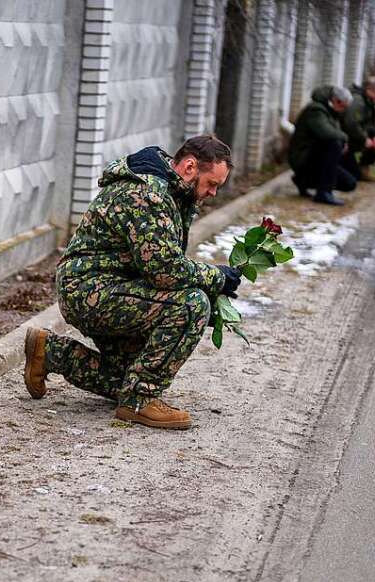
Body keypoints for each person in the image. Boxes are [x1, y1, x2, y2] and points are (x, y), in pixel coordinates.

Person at [22, 135, 237, 430]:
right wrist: (215, 277)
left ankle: (50, 352)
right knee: (191, 304)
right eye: (211, 183)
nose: (213, 192)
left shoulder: (171, 193)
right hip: (91, 290)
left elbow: (159, 266)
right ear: (189, 167)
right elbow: (163, 269)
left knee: (127, 376)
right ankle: (138, 402)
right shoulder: (148, 193)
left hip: (113, 288)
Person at [288, 85, 356, 206]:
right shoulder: (316, 110)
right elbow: (326, 133)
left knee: (349, 183)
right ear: (336, 101)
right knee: (334, 142)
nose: (343, 110)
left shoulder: (331, 112)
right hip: (302, 157)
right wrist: (344, 138)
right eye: (343, 106)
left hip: (315, 159)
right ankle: (323, 192)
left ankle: (303, 180)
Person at [342, 76, 375, 182]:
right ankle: (355, 169)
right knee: (352, 176)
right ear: (369, 90)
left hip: (358, 135)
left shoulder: (369, 101)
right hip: (347, 137)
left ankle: (364, 169)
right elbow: (351, 124)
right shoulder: (358, 101)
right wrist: (364, 138)